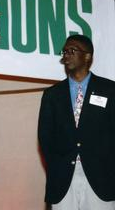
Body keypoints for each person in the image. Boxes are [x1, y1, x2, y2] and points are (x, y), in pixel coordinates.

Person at [38, 34, 115, 210]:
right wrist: (58, 165)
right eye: (64, 51)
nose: (65, 56)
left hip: (102, 178)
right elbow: (45, 138)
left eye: (71, 50)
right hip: (63, 178)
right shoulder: (52, 94)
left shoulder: (110, 90)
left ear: (87, 56)